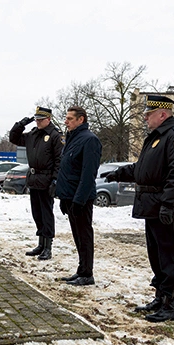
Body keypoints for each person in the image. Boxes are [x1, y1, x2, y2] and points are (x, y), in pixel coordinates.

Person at [105, 95, 174, 322]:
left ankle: (170, 304)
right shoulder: (155, 139)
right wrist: (119, 173)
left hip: (165, 207)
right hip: (152, 206)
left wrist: (168, 205)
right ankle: (160, 296)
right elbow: (142, 168)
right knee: (156, 254)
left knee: (168, 255)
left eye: (148, 113)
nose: (144, 117)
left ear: (162, 114)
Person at [9, 106, 63, 260]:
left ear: (49, 119)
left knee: (46, 214)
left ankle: (48, 247)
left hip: (46, 179)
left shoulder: (54, 136)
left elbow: (59, 160)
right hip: (34, 179)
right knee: (37, 213)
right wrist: (22, 124)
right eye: (36, 119)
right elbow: (13, 138)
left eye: (41, 119)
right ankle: (40, 244)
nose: (38, 122)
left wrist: (55, 179)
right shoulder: (33, 134)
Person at [56, 106, 102, 286]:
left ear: (81, 119)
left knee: (84, 235)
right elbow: (67, 169)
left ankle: (87, 273)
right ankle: (81, 270)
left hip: (80, 199)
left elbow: (88, 173)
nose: (66, 121)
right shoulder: (72, 138)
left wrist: (78, 200)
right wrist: (63, 197)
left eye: (69, 118)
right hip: (70, 196)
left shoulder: (90, 140)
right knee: (77, 236)